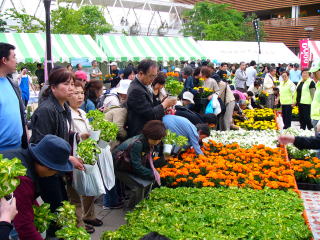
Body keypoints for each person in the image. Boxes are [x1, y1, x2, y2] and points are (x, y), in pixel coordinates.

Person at [1, 135, 73, 240]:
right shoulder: (22, 180)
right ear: (45, 165)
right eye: (55, 169)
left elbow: (26, 203)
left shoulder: (21, 157)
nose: (55, 173)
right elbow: (25, 226)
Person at [68, 80, 102, 233]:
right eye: (75, 93)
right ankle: (79, 224)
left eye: (81, 93)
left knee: (90, 187)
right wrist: (80, 136)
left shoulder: (82, 112)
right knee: (75, 191)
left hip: (87, 155)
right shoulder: (66, 114)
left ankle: (89, 215)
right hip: (75, 157)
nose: (80, 97)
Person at [113, 120, 166, 210]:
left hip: (128, 165)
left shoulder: (147, 141)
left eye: (159, 139)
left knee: (146, 183)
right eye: (156, 139)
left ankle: (139, 205)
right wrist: (152, 174)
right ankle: (132, 210)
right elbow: (136, 166)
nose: (158, 141)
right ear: (149, 136)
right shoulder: (138, 144)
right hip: (119, 166)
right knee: (138, 187)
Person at [126, 59, 176, 137]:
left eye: (155, 76)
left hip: (147, 130)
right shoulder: (136, 89)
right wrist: (164, 104)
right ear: (141, 73)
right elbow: (150, 114)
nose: (153, 79)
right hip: (140, 133)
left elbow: (152, 106)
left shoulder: (144, 85)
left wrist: (165, 106)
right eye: (151, 76)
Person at [0, 42, 28, 151]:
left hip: (19, 148)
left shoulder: (12, 84)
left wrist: (26, 136)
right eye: (14, 57)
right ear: (4, 60)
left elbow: (22, 114)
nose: (16, 61)